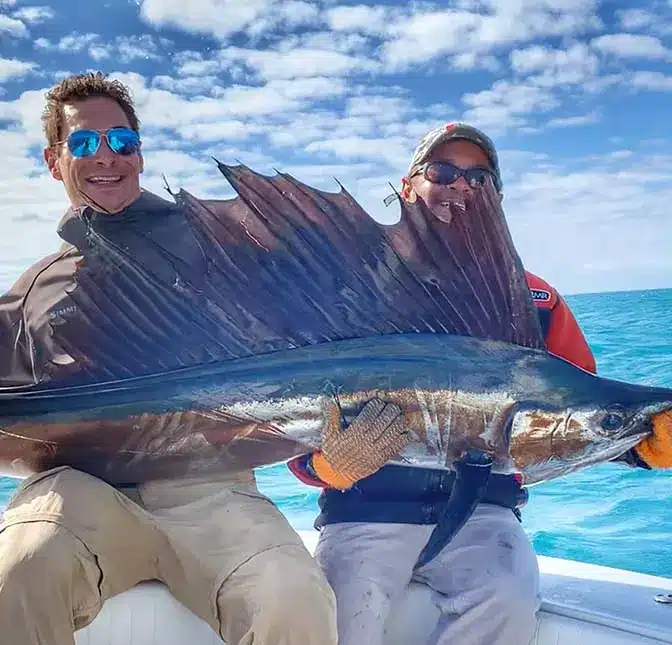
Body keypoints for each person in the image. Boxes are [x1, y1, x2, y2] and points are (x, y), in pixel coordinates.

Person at [0, 71, 406, 645]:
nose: (106, 157)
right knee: (20, 566)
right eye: (84, 143)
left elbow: (330, 331)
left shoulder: (223, 248)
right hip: (84, 490)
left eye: (122, 141)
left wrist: (330, 450)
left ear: (139, 153)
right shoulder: (34, 291)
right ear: (53, 159)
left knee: (294, 596)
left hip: (213, 489)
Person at [287, 122, 672, 645]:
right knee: (325, 620)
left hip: (484, 518)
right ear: (408, 185)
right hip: (363, 513)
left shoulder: (535, 298)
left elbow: (575, 413)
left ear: (496, 197)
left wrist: (640, 448)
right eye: (442, 171)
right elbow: (287, 406)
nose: (461, 185)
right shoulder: (353, 290)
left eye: (480, 178)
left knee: (508, 601)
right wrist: (321, 468)